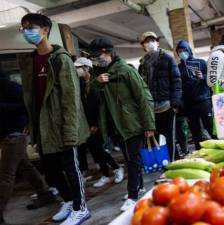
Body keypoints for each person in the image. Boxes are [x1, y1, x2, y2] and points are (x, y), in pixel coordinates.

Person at [18, 13, 90, 225]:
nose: (27, 32)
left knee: (71, 169)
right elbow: (32, 97)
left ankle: (81, 208)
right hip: (43, 125)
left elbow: (70, 99)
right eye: (23, 28)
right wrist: (31, 124)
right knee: (51, 171)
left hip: (62, 123)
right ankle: (68, 201)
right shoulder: (30, 61)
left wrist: (70, 130)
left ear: (45, 30)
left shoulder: (60, 59)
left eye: (31, 27)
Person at [89, 38, 155, 211]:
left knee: (132, 160)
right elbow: (90, 98)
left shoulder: (126, 71)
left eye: (97, 55)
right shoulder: (99, 74)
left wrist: (149, 125)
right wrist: (96, 83)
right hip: (113, 126)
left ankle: (133, 196)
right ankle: (139, 187)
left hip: (131, 123)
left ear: (108, 52)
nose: (95, 59)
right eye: (93, 57)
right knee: (130, 158)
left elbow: (143, 97)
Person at [0, 71, 56, 224]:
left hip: (13, 135)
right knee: (25, 167)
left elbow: (26, 107)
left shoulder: (8, 86)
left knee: (6, 175)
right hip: (9, 135)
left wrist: (3, 108)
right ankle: (45, 194)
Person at [74, 57, 124, 188]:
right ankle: (105, 175)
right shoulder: (80, 84)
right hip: (86, 124)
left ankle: (116, 168)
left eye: (79, 68)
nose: (77, 70)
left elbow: (99, 105)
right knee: (95, 150)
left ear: (86, 68)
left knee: (99, 149)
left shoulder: (97, 82)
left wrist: (96, 124)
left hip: (97, 122)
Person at [138, 32, 182, 161]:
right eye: (147, 41)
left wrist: (175, 103)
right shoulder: (143, 64)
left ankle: (176, 162)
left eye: (152, 40)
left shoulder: (167, 59)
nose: (150, 43)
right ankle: (165, 163)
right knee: (158, 138)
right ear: (143, 45)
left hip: (167, 105)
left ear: (157, 42)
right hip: (152, 108)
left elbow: (176, 80)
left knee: (170, 137)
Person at [176, 40, 213, 150]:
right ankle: (200, 151)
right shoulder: (178, 68)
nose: (182, 53)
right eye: (180, 51)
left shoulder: (201, 62)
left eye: (184, 50)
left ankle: (218, 147)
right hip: (189, 104)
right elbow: (178, 86)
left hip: (203, 101)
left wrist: (203, 76)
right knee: (195, 131)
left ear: (189, 50)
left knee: (210, 127)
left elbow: (211, 79)